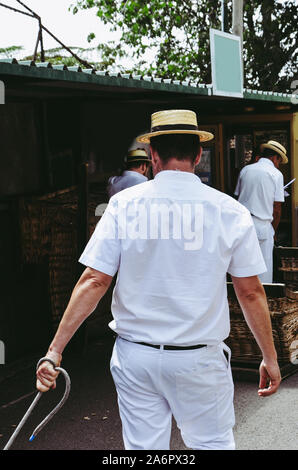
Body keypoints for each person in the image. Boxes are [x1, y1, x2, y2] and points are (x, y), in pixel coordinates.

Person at [36, 110, 281, 451]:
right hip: (199, 357)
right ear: (198, 154)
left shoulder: (122, 205)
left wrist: (54, 351)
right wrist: (269, 357)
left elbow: (94, 280)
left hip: (137, 356)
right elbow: (251, 291)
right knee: (212, 443)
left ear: (152, 155)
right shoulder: (228, 210)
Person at [234, 140, 288, 283]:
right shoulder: (276, 174)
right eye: (279, 161)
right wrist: (274, 230)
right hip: (263, 225)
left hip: (242, 224)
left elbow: (238, 196)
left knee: (244, 266)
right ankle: (263, 301)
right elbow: (276, 209)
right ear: (275, 158)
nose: (278, 164)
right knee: (263, 269)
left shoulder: (245, 170)